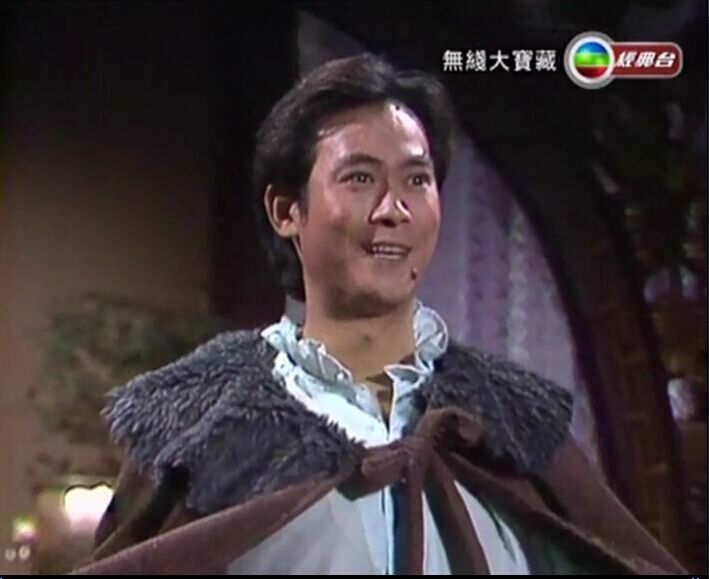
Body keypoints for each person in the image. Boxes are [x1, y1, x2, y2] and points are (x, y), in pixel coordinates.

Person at [75, 53, 685, 575]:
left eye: (417, 180)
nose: (394, 209)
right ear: (287, 211)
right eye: (360, 178)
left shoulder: (511, 421)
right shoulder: (199, 426)